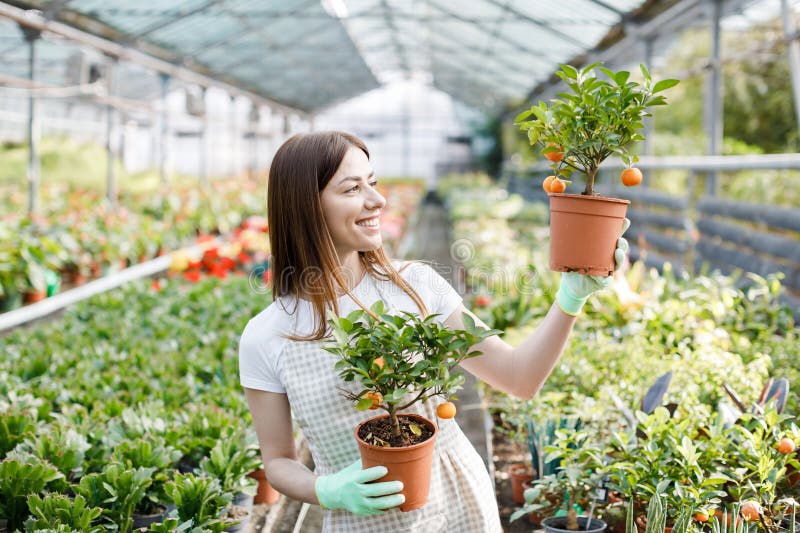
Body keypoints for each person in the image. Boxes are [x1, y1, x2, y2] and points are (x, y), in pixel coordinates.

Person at [239, 131, 629, 532]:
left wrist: (570, 299)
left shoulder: (417, 287)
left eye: (372, 182)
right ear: (305, 206)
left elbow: (519, 377)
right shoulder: (266, 337)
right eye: (353, 188)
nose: (377, 200)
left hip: (457, 504)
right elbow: (280, 462)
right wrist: (326, 489)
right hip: (361, 522)